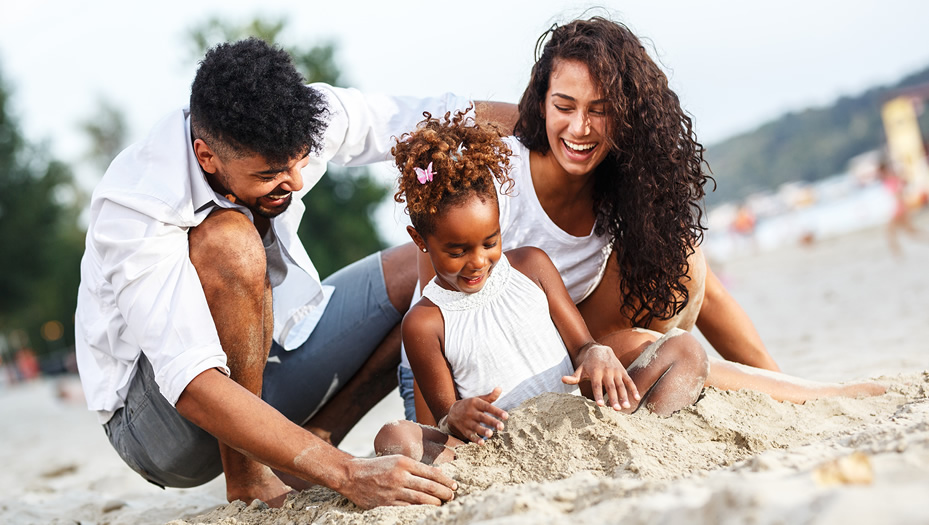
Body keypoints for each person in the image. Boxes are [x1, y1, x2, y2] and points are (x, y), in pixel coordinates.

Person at [74, 38, 515, 509]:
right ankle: (248, 477)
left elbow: (440, 118)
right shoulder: (138, 204)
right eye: (270, 174)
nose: (297, 182)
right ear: (207, 157)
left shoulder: (303, 114)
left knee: (422, 263)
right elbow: (191, 383)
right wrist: (348, 474)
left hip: (262, 368)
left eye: (300, 160)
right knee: (231, 242)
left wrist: (551, 119)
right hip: (158, 427)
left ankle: (303, 446)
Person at [398, 16, 884, 424]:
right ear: (540, 103)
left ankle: (802, 395)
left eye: (600, 111)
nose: (580, 128)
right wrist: (438, 424)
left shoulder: (620, 182)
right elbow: (434, 313)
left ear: (626, 114)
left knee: (681, 260)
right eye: (564, 106)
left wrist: (787, 385)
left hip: (557, 351)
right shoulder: (485, 186)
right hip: (462, 378)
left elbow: (707, 293)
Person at [374, 111, 709, 463]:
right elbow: (444, 417)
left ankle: (645, 438)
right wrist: (456, 414)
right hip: (498, 450)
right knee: (394, 436)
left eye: (490, 242)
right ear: (420, 240)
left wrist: (596, 354)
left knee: (685, 350)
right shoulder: (423, 323)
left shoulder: (532, 265)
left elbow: (581, 346)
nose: (477, 262)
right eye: (457, 252)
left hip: (576, 422)